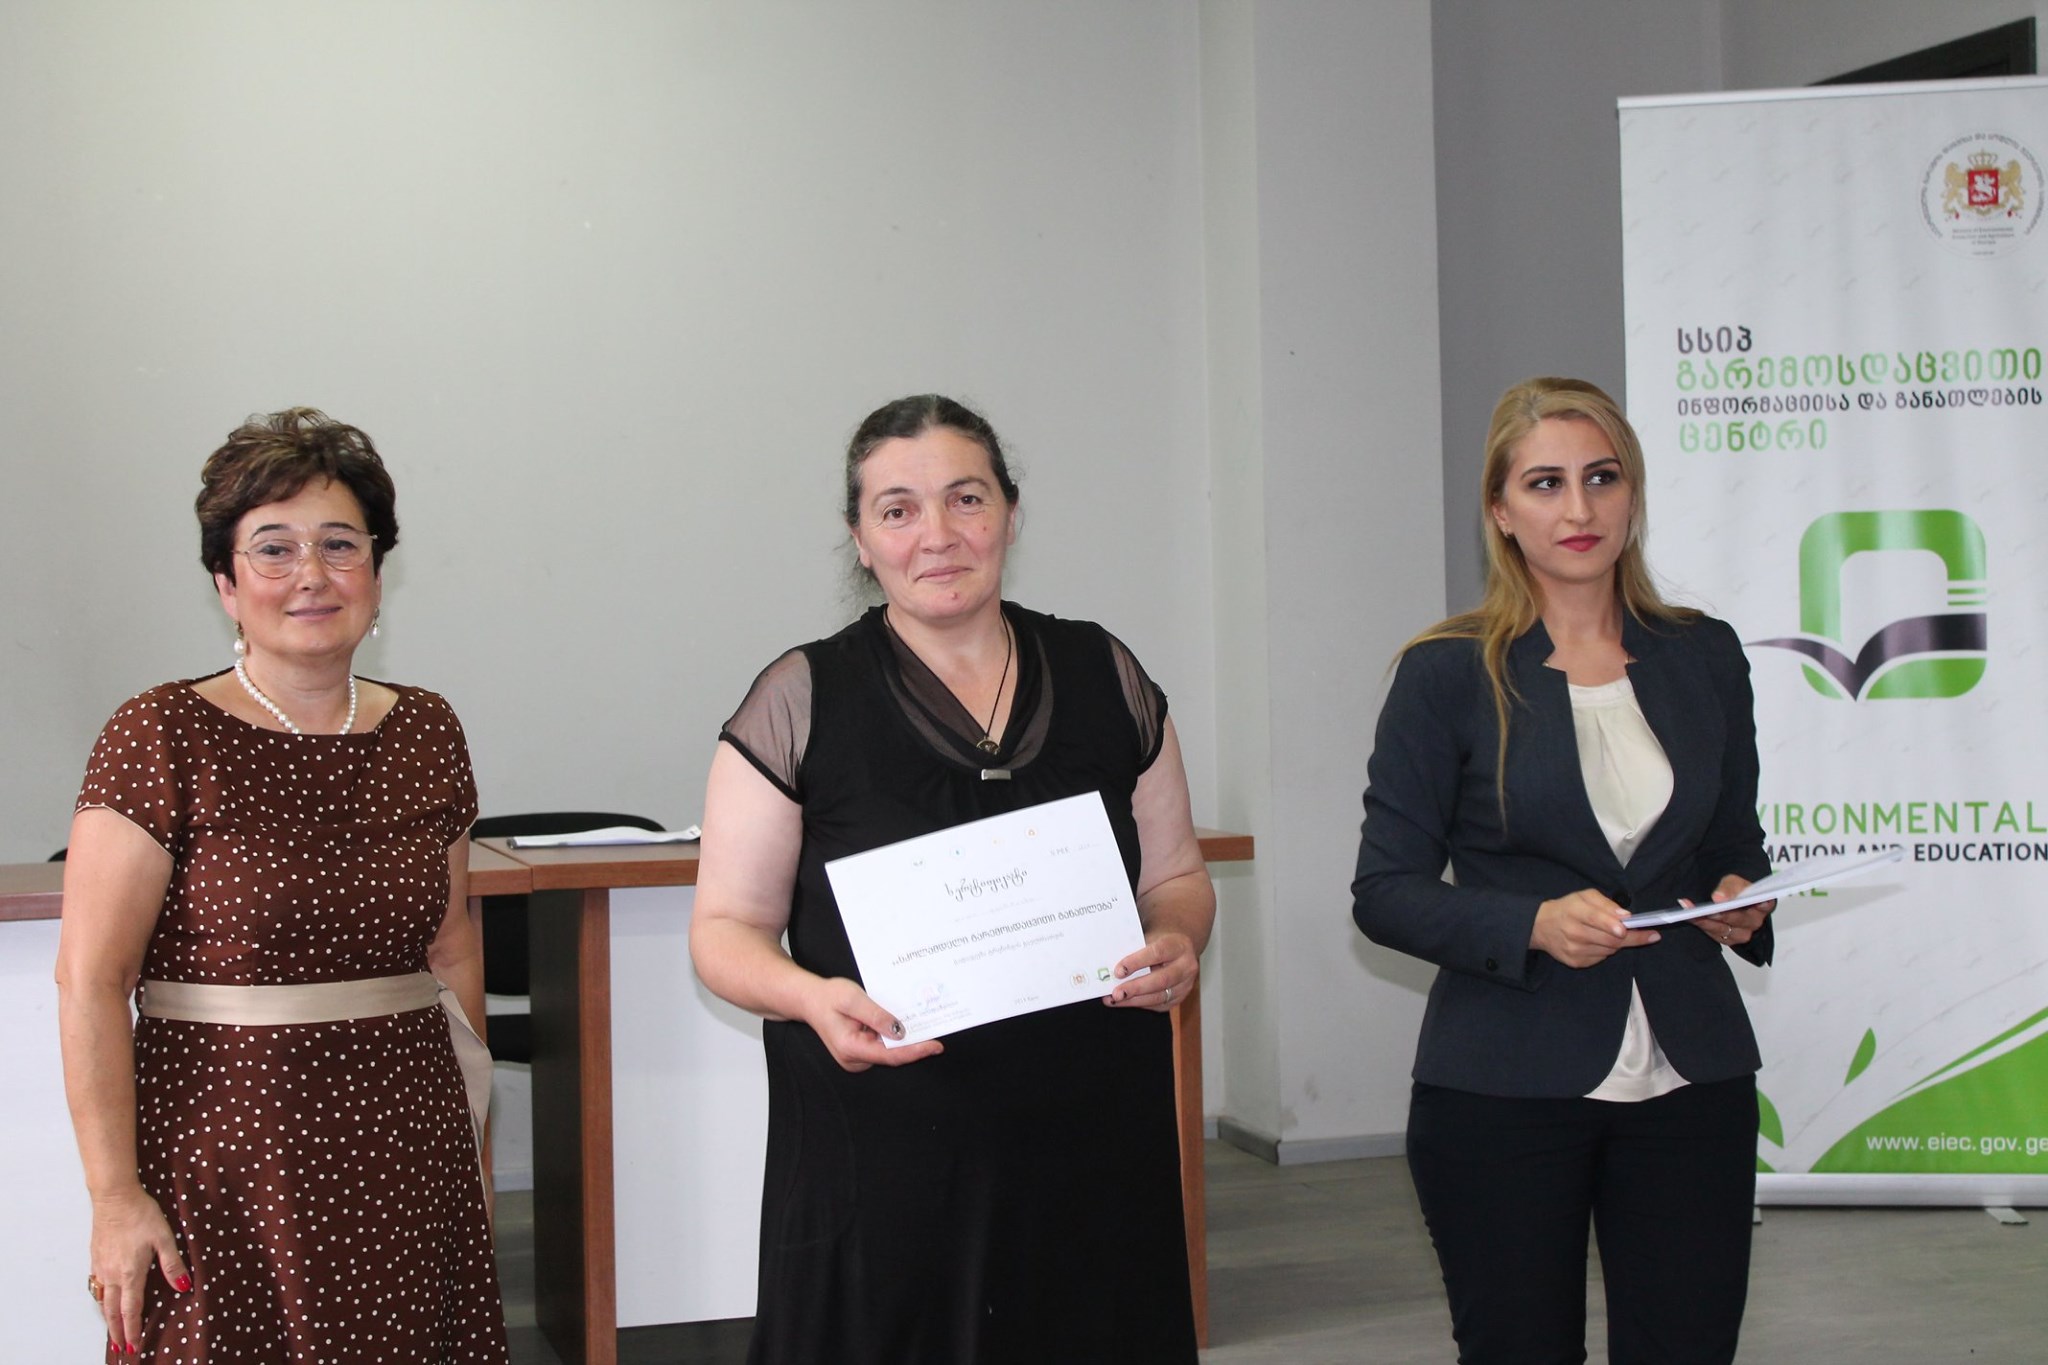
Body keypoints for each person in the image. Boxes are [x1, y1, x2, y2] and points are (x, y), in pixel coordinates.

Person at [690, 394, 1214, 1364]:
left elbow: (1176, 874)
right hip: (884, 1144)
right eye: (897, 509)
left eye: (966, 498)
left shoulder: (1106, 672)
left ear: (1010, 512)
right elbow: (724, 928)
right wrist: (809, 997)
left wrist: (1177, 938)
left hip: (1091, 1137)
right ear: (860, 540)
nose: (936, 533)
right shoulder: (801, 698)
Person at [54, 409, 507, 1363]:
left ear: (377, 572)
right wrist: (114, 1196)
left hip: (407, 1141)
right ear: (225, 582)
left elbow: (451, 947)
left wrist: (473, 1143)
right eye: (274, 548)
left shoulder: (429, 730)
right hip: (226, 1160)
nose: (312, 574)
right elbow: (91, 980)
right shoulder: (160, 734)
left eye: (341, 544)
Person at [1351, 378, 1774, 1365]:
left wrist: (1736, 899)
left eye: (1601, 477)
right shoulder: (1446, 672)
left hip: (1692, 1077)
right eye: (1544, 483)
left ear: (1632, 493)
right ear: (1501, 511)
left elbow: (1732, 841)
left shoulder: (1704, 654)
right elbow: (1385, 892)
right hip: (1504, 1084)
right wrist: (1529, 924)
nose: (1578, 507)